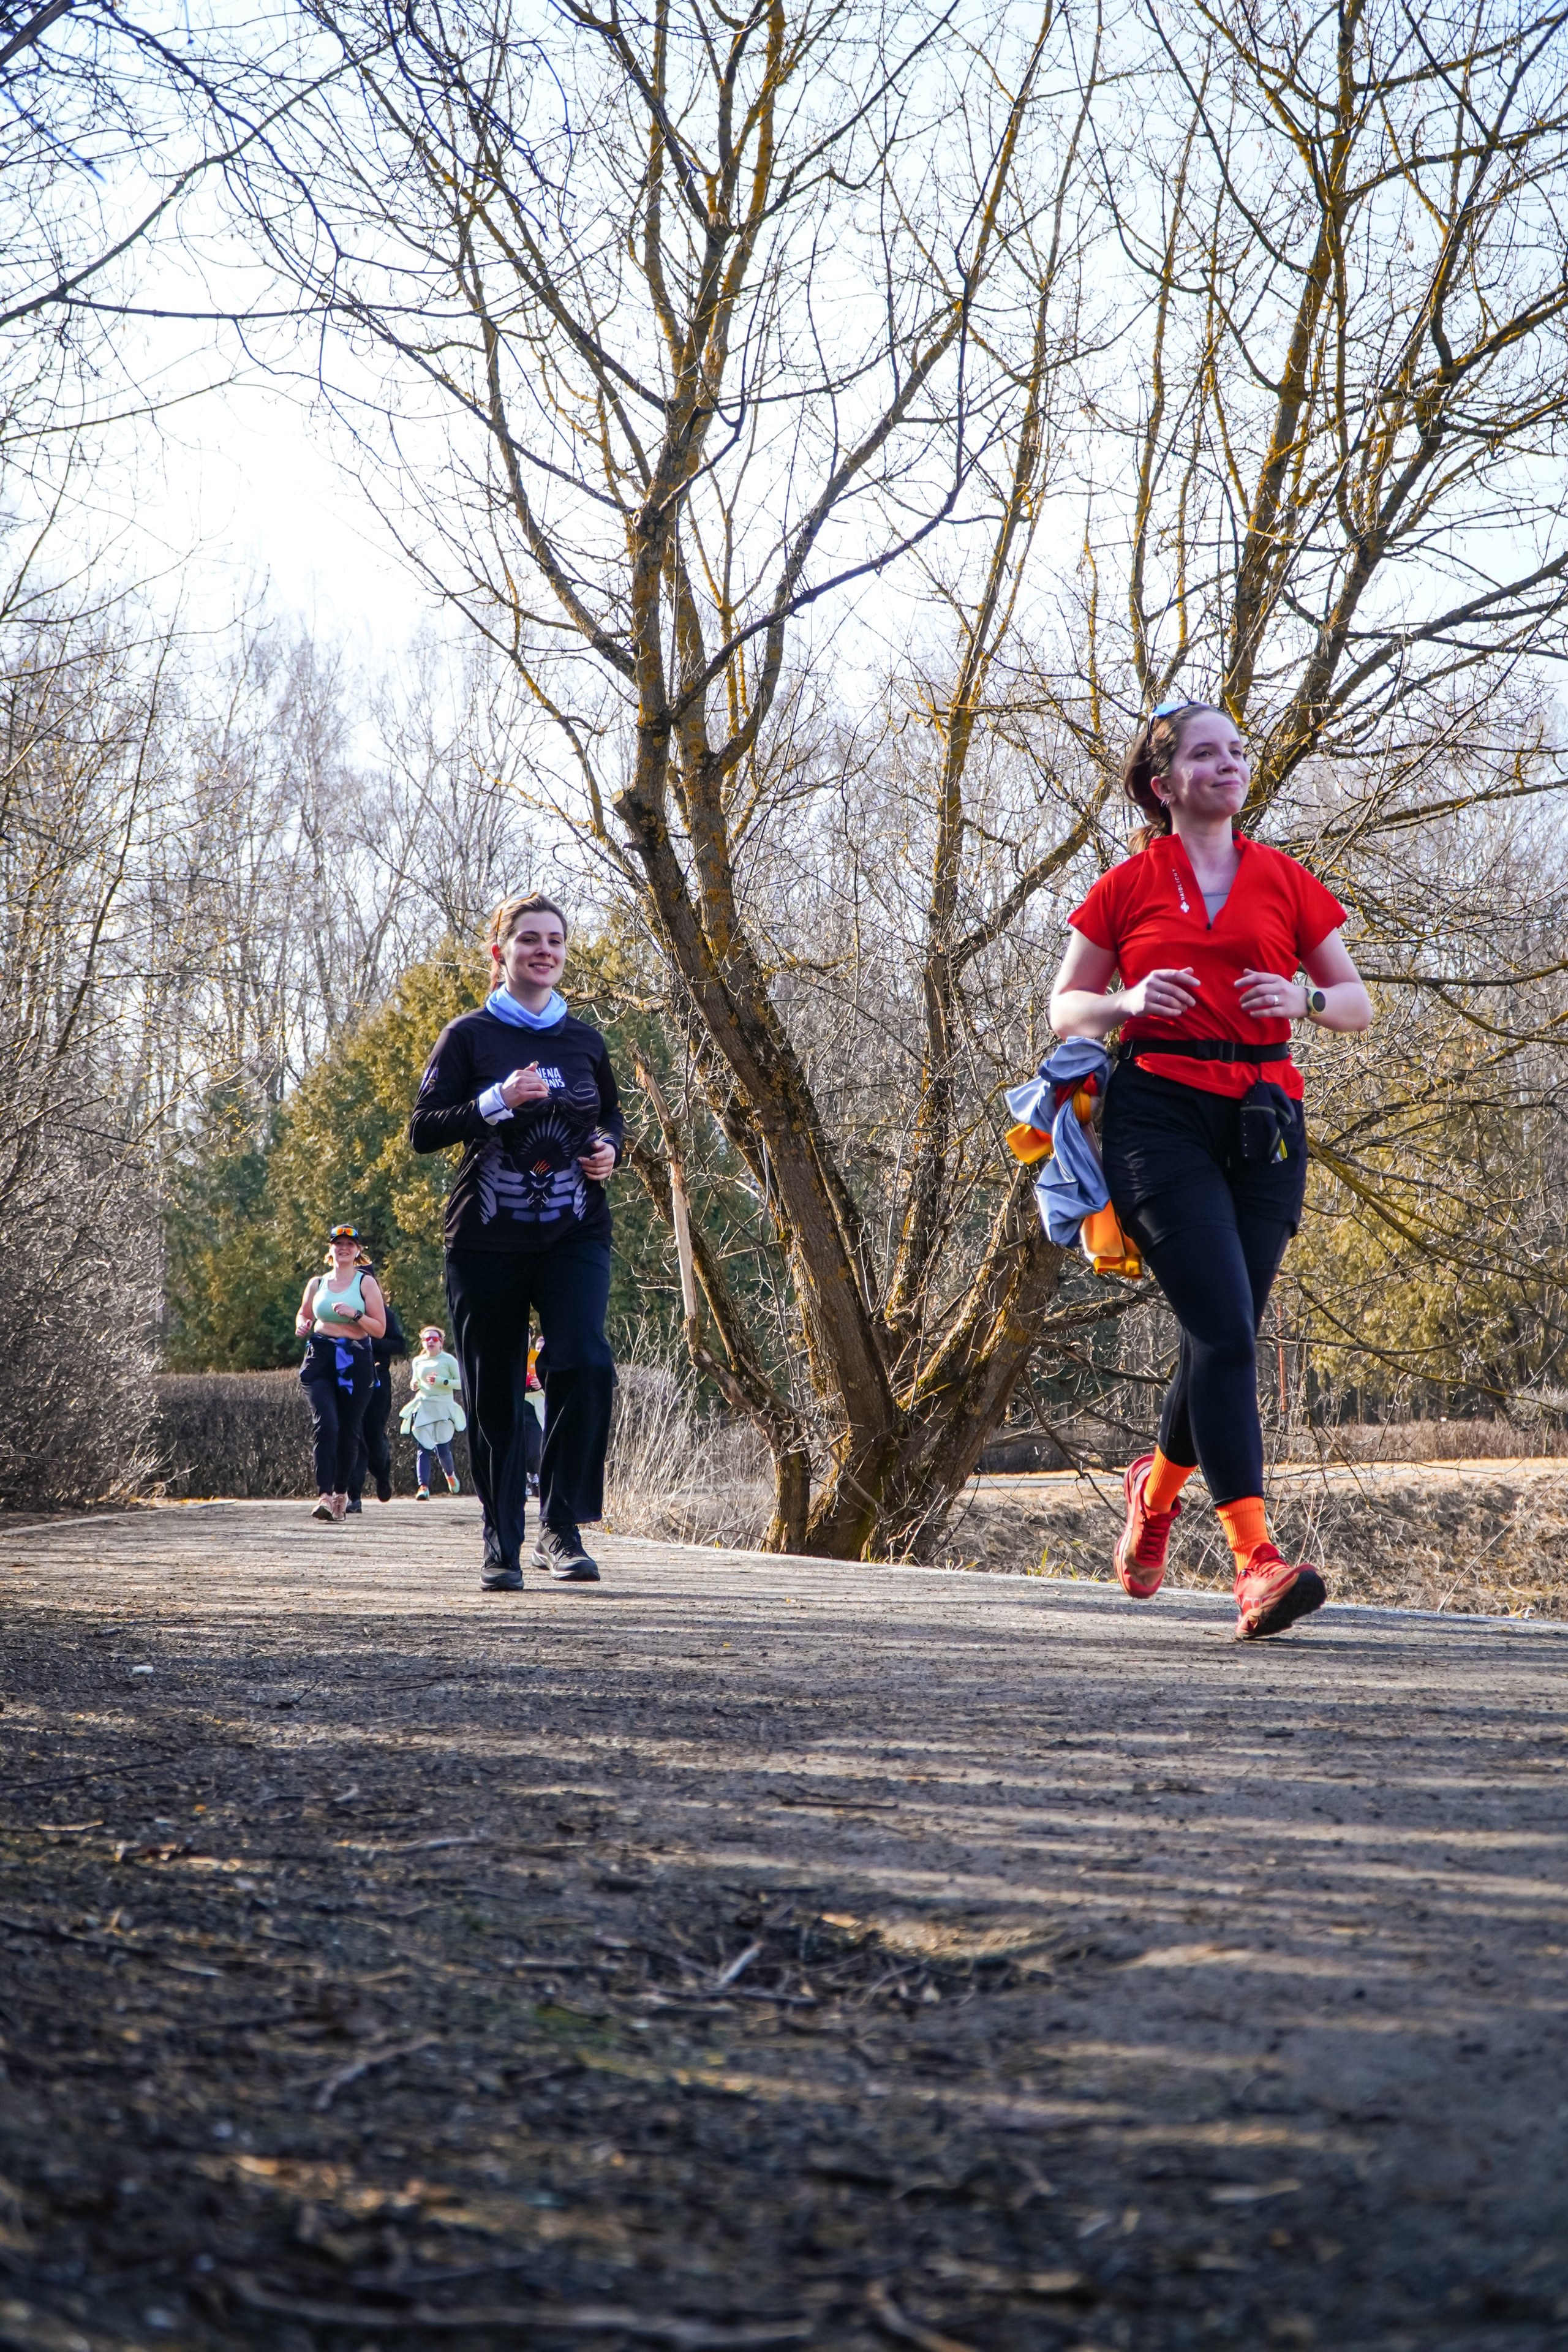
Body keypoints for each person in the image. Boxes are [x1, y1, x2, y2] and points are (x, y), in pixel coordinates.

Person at [1047, 700, 1371, 1639]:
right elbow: (1065, 1007)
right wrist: (1129, 998)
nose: (1229, 764)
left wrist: (1307, 997)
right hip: (1157, 1116)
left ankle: (1156, 1488)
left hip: (1266, 1121)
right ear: (1164, 783)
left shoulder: (1286, 880)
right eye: (1205, 753)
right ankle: (1256, 1563)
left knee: (1221, 1329)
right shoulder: (1125, 885)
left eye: (1237, 751)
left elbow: (1355, 1002)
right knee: (1225, 1328)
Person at [407, 892, 623, 1590]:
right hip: (486, 1238)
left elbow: (612, 1120)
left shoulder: (585, 1041)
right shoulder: (469, 1035)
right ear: (499, 953)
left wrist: (609, 1153)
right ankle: (501, 1541)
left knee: (584, 1362)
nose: (544, 950)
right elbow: (423, 1130)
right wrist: (496, 1099)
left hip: (575, 1232)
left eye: (555, 940)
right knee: (495, 1390)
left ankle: (560, 1529)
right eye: (528, 939)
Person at [295, 1224, 388, 1522]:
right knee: (327, 1424)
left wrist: (355, 1314)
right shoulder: (317, 1283)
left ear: (358, 1250)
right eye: (338, 1244)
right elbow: (305, 1313)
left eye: (350, 1244)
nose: (344, 1248)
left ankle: (340, 1495)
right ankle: (323, 1494)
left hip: (356, 1359)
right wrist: (302, 1324)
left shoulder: (366, 1284)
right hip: (321, 1357)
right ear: (331, 1249)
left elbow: (381, 1330)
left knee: (349, 1428)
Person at [347, 1275, 407, 1512]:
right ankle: (354, 1497)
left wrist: (371, 1343)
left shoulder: (384, 1313)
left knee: (372, 1437)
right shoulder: (341, 1313)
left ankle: (383, 1472)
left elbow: (399, 1345)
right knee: (354, 1436)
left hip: (378, 1378)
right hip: (349, 1379)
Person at [401, 1324, 466, 1498]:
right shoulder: (418, 1361)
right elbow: (415, 1380)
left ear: (441, 1343)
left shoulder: (449, 1360)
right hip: (424, 1405)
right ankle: (423, 1487)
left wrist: (443, 1381)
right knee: (423, 1447)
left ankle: (450, 1475)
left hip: (443, 1407)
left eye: (434, 1339)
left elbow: (462, 1383)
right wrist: (414, 1384)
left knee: (442, 1449)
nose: (431, 1341)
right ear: (423, 1343)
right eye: (427, 1339)